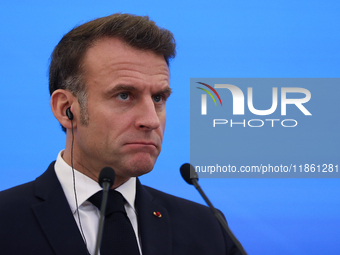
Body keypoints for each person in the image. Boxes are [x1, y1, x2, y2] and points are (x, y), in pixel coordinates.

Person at [0, 13, 243, 255]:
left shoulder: (206, 228)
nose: (150, 120)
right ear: (66, 109)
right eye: (124, 95)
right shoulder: (6, 220)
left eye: (158, 98)